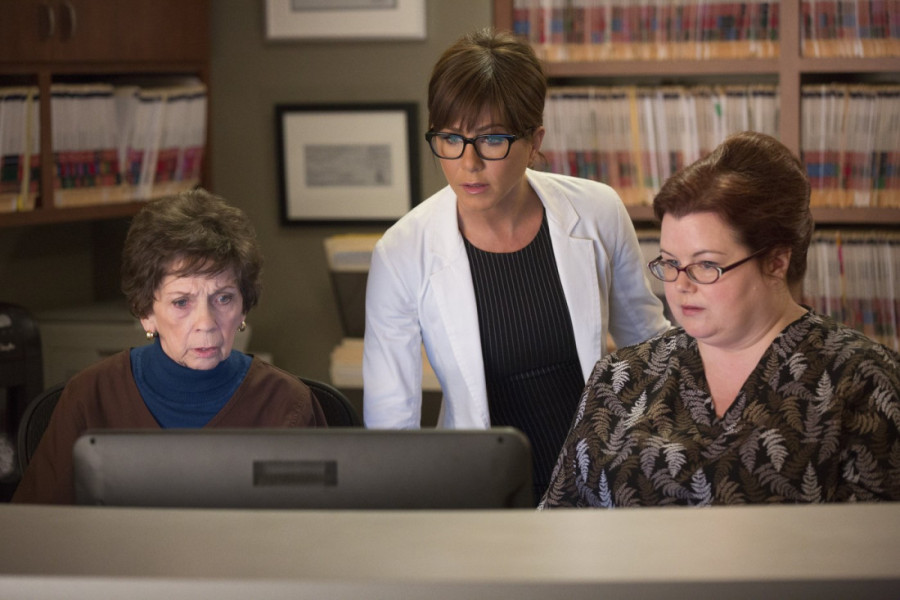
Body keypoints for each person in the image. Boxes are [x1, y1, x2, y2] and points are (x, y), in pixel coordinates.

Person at [363, 28, 669, 502]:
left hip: (599, 481)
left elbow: (650, 352)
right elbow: (391, 426)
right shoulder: (402, 251)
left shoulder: (597, 211)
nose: (468, 163)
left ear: (533, 140)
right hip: (482, 492)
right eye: (450, 138)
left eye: (491, 140)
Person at [540, 131, 900, 508]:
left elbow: (875, 539)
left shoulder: (863, 381)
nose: (680, 285)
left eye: (706, 265)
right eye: (670, 263)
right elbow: (559, 523)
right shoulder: (621, 377)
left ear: (776, 262)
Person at [13, 189, 327, 504]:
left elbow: (316, 530)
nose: (206, 322)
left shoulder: (286, 403)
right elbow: (38, 527)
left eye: (223, 298)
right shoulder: (90, 396)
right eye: (181, 302)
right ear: (146, 313)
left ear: (243, 308)